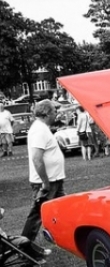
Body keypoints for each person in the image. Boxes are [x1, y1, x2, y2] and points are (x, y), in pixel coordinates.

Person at [21, 100, 66, 242]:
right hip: (47, 182)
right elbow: (36, 159)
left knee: (62, 208)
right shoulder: (39, 130)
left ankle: (61, 236)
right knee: (37, 215)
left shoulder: (43, 128)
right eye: (54, 111)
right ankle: (24, 247)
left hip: (55, 179)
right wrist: (45, 183)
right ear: (46, 113)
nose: (56, 114)